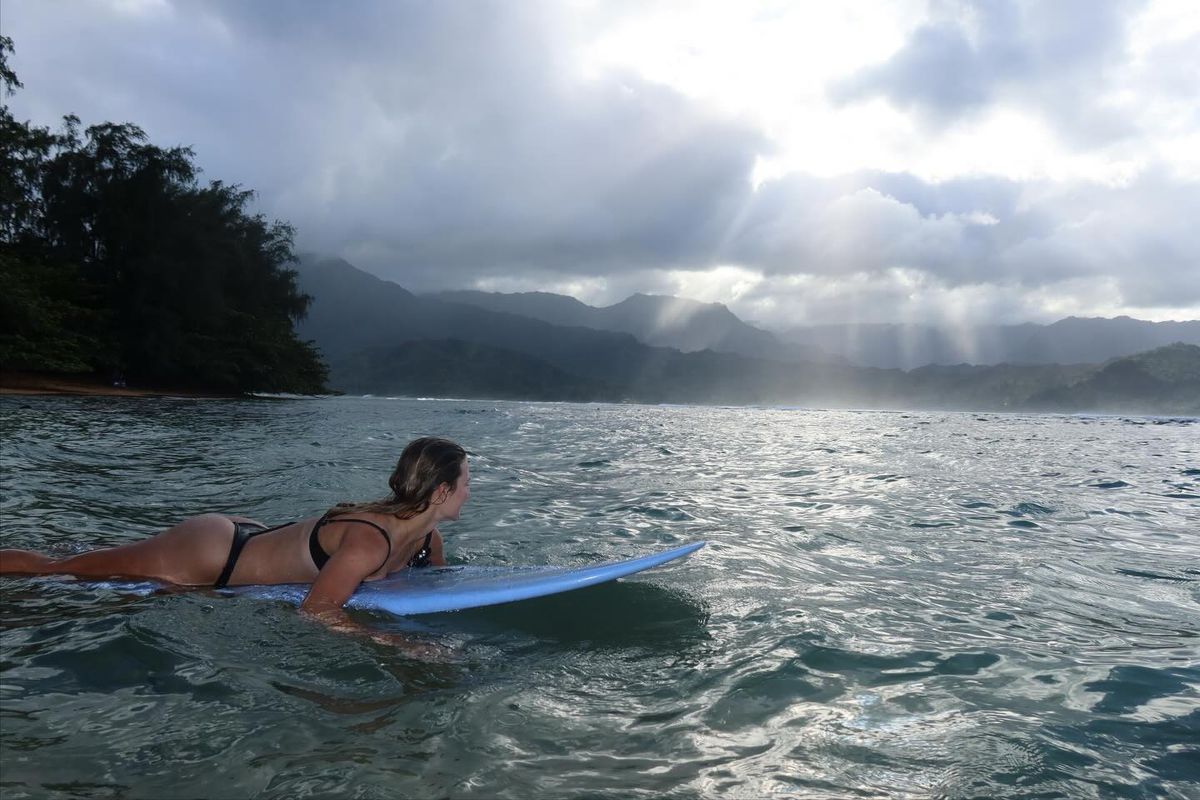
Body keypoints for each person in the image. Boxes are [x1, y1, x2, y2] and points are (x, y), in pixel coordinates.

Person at [0, 437, 469, 634]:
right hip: (211, 557)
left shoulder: (428, 543)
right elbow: (317, 609)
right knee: (58, 572)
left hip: (256, 543)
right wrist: (398, 644)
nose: (471, 490)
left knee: (94, 562)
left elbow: (436, 591)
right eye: (467, 481)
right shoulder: (370, 541)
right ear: (442, 491)